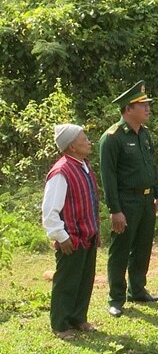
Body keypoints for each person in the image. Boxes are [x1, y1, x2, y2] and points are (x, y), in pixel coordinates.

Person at [99, 81, 158, 318]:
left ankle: (137, 289)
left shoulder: (145, 135)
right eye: (143, 105)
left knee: (143, 247)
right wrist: (115, 210)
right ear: (128, 108)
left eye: (147, 104)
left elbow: (151, 167)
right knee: (120, 250)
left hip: (146, 201)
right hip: (125, 202)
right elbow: (108, 177)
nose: (148, 109)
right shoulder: (112, 138)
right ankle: (116, 298)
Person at [42, 124, 100, 340]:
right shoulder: (61, 172)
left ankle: (78, 318)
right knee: (66, 282)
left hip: (88, 235)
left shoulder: (83, 165)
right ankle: (60, 324)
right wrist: (61, 235)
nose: (88, 141)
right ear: (72, 146)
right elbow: (50, 211)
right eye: (83, 138)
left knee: (84, 279)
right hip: (71, 238)